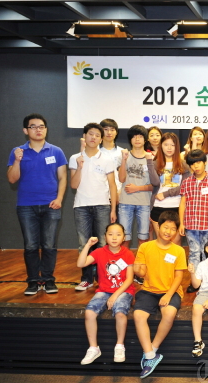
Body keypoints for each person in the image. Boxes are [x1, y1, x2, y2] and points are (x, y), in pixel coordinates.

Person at [8, 113, 67, 295]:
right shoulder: (17, 151)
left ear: (46, 129)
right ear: (26, 131)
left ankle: (48, 280)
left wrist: (59, 199)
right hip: (26, 206)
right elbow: (12, 179)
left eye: (41, 126)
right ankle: (33, 281)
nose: (38, 129)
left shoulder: (56, 151)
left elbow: (63, 177)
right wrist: (17, 161)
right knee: (31, 246)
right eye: (33, 127)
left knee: (49, 245)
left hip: (51, 205)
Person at [132, 210, 187, 378]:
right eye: (165, 227)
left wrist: (168, 295)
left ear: (176, 231)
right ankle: (149, 355)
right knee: (139, 316)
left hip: (170, 290)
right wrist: (136, 269)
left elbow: (179, 277)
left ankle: (153, 350)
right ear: (158, 227)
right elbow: (140, 272)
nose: (168, 231)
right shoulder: (145, 247)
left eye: (172, 228)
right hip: (148, 290)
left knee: (169, 314)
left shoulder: (178, 251)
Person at [77, 223, 134, 365]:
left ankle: (120, 346)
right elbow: (81, 263)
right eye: (110, 234)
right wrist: (88, 245)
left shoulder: (127, 254)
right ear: (105, 236)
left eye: (118, 234)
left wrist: (115, 295)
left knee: (120, 312)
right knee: (89, 313)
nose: (114, 237)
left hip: (123, 291)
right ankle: (93, 348)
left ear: (124, 237)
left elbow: (129, 279)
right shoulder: (99, 252)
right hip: (103, 291)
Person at [69, 123, 118, 291]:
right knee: (84, 243)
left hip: (102, 206)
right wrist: (80, 167)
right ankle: (87, 278)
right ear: (84, 136)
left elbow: (112, 185)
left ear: (101, 138)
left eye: (97, 135)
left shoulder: (107, 159)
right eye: (91, 134)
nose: (94, 138)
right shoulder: (76, 158)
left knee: (104, 243)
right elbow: (74, 185)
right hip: (81, 206)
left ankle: (105, 278)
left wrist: (113, 209)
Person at [118, 125, 158, 249]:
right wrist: (124, 160)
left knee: (144, 238)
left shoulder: (151, 157)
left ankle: (142, 265)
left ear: (145, 139)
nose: (137, 139)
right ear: (130, 139)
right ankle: (124, 265)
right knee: (124, 238)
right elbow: (121, 179)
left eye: (140, 136)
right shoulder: (125, 155)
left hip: (144, 203)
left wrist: (137, 188)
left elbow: (155, 185)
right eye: (134, 137)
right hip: (125, 202)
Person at [150, 132, 190, 245]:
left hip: (177, 206)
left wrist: (166, 193)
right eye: (166, 144)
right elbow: (154, 183)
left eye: (172, 145)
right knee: (161, 242)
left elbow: (185, 186)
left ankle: (175, 263)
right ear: (161, 146)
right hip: (158, 206)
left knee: (176, 243)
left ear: (176, 147)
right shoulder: (155, 164)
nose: (169, 148)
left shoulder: (183, 164)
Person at [99, 118, 125, 193]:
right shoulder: (95, 152)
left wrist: (121, 192)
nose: (109, 132)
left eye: (112, 130)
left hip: (120, 193)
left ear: (116, 132)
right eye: (106, 129)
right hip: (100, 195)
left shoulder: (122, 152)